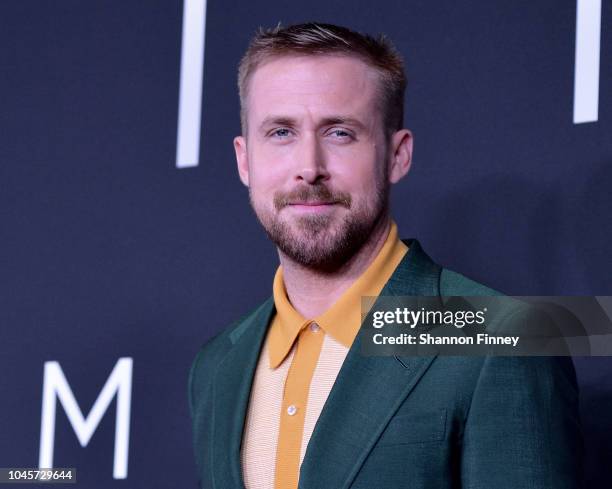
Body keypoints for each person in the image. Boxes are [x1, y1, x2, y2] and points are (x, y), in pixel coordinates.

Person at [188, 22, 582, 489]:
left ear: (398, 155)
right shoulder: (216, 367)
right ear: (244, 160)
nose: (308, 168)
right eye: (280, 132)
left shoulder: (501, 341)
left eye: (339, 133)